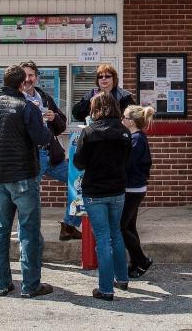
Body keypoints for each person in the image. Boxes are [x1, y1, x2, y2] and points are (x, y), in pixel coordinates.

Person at [0, 64, 53, 298]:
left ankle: (1, 283)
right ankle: (30, 286)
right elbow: (42, 138)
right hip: (24, 175)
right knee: (28, 231)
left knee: (0, 232)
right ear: (23, 83)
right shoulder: (27, 107)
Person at [72, 92, 132, 300]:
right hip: (117, 189)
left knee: (103, 239)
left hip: (95, 191)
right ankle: (122, 278)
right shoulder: (124, 132)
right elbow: (127, 159)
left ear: (94, 108)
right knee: (116, 234)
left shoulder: (89, 132)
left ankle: (106, 289)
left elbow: (78, 162)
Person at [20, 61, 81, 241]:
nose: (28, 79)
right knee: (30, 200)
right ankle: (30, 241)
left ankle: (69, 225)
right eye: (24, 76)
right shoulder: (17, 100)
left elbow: (61, 125)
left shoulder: (44, 98)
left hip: (52, 155)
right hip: (32, 157)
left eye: (31, 75)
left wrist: (54, 118)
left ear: (36, 77)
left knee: (79, 182)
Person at [121, 105, 154, 278]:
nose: (122, 119)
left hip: (132, 189)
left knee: (122, 227)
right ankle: (136, 264)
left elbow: (128, 164)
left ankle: (141, 260)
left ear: (131, 121)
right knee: (130, 226)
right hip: (134, 187)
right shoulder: (135, 137)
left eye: (124, 117)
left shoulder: (136, 140)